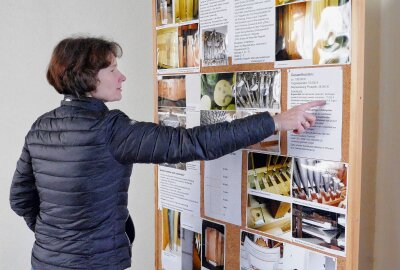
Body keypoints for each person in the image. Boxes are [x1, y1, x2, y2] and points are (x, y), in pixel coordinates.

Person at [10, 36, 324, 270]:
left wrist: (55, 236)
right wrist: (275, 122)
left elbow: (19, 198)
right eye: (112, 69)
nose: (122, 77)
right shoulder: (109, 129)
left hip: (45, 261)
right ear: (88, 76)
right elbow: (192, 142)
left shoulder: (41, 126)